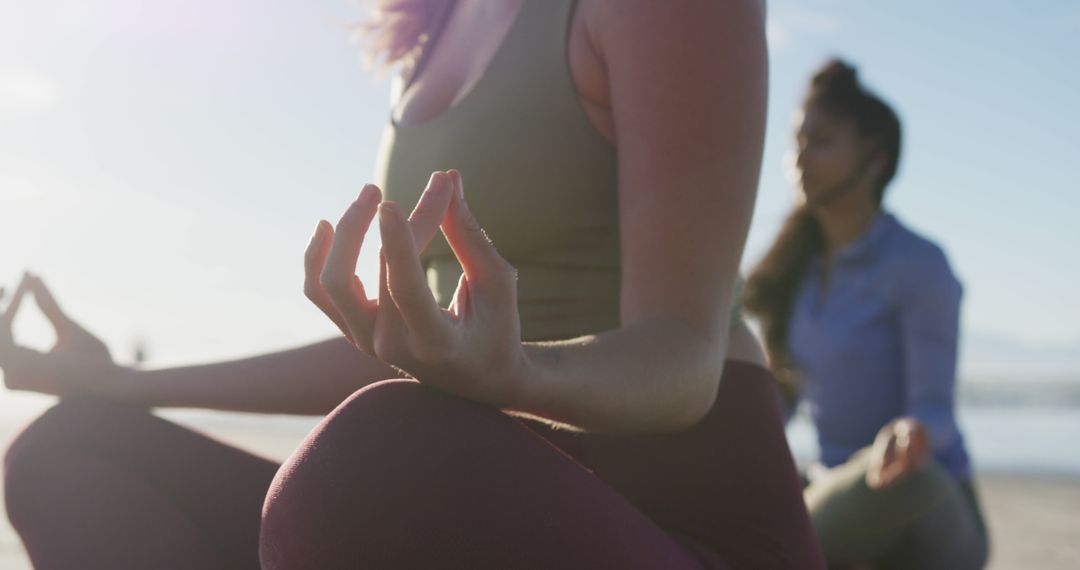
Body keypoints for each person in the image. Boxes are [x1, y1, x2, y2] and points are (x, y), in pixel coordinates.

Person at [1, 1, 824, 568]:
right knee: (67, 447)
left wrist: (518, 376)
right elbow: (409, 354)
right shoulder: (435, 26)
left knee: (363, 463)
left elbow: (685, 360)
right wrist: (120, 383)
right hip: (447, 490)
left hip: (678, 524)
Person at [744, 59, 989, 569]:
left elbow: (934, 409)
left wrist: (911, 433)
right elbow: (777, 408)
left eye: (823, 141)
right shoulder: (796, 273)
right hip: (832, 486)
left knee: (785, 542)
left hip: (923, 497)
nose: (799, 158)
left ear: (875, 159)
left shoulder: (918, 264)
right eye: (797, 140)